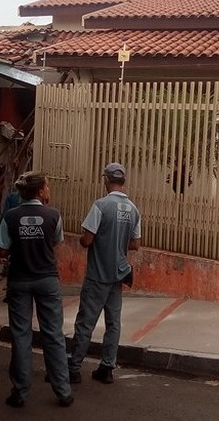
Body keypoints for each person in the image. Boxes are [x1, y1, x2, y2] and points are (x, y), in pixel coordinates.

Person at [0, 171, 74, 408]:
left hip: (19, 280)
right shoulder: (53, 215)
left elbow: (2, 247)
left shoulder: (11, 216)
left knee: (21, 336)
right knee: (53, 335)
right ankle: (63, 391)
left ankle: (20, 393)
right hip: (47, 280)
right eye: (47, 186)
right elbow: (55, 243)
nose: (49, 190)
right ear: (40, 191)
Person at [68, 162, 142, 384]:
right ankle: (107, 367)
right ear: (123, 181)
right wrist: (118, 241)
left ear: (106, 180)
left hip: (97, 274)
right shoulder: (133, 209)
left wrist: (95, 239)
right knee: (113, 323)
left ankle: (74, 368)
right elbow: (135, 244)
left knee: (86, 322)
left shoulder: (100, 206)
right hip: (118, 275)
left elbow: (86, 240)